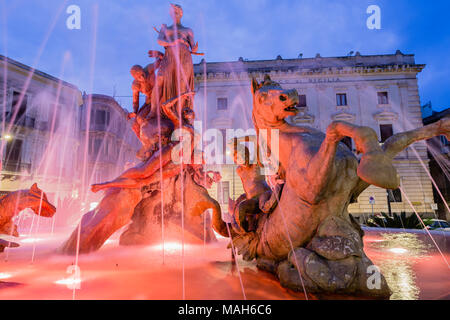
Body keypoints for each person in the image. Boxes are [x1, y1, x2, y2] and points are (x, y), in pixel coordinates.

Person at [91, 95, 196, 193]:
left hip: (181, 162)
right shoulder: (179, 122)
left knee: (145, 181)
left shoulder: (194, 129)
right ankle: (107, 184)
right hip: (171, 151)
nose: (187, 112)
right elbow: (165, 106)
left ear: (194, 115)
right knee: (143, 172)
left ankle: (109, 185)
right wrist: (181, 96)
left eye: (189, 110)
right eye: (185, 111)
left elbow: (192, 149)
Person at [151, 4, 197, 114]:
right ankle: (153, 111)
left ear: (181, 14)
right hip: (170, 56)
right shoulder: (165, 28)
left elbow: (193, 47)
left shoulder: (188, 30)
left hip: (184, 57)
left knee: (182, 84)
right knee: (160, 79)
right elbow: (159, 41)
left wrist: (194, 48)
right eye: (173, 12)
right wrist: (172, 42)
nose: (175, 13)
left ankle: (179, 114)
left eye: (177, 11)